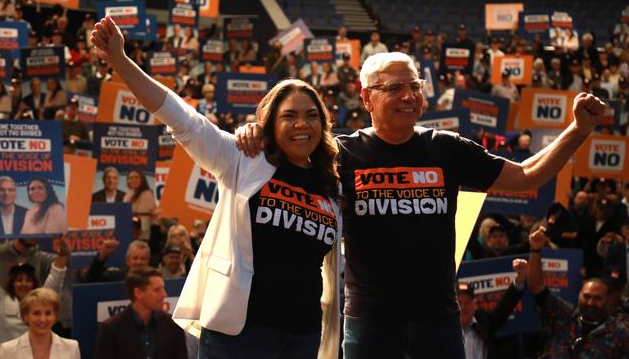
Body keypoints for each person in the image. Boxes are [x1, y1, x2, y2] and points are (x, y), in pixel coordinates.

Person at [236, 51, 607, 358]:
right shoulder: (340, 154)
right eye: (394, 88)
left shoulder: (446, 147)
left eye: (415, 85)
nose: (409, 95)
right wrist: (256, 132)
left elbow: (528, 176)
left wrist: (578, 130)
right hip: (369, 324)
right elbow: (288, 147)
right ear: (366, 98)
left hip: (439, 324)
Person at [91, 16, 342, 358]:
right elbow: (182, 118)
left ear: (324, 124)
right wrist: (120, 60)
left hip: (304, 334)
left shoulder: (331, 184)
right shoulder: (244, 159)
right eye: (289, 115)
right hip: (239, 333)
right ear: (270, 122)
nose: (302, 124)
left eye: (312, 115)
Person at [527, 226, 629, 357]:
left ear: (607, 300)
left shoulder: (619, 335)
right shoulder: (564, 314)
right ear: (579, 294)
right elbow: (537, 286)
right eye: (586, 296)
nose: (590, 303)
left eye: (597, 299)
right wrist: (535, 250)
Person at [0, 233, 70, 357]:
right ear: (12, 283)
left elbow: (57, 276)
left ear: (34, 282)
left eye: (28, 280)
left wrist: (63, 253)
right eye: (19, 280)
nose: (24, 284)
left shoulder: (43, 300)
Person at [95, 266, 187, 359]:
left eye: (163, 288)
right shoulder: (110, 329)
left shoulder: (172, 325)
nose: (164, 294)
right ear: (138, 293)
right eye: (157, 290)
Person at [458, 259, 528, 359]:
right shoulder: (445, 328)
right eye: (459, 303)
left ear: (475, 304)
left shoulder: (483, 321)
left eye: (467, 302)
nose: (463, 307)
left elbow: (505, 307)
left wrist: (520, 280)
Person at [0, 287, 80, 358]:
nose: (42, 319)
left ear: (55, 316)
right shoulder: (7, 350)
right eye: (36, 313)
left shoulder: (71, 347)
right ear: (26, 316)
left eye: (48, 313)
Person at [84, 239, 151, 283]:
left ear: (148, 261)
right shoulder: (116, 276)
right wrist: (103, 254)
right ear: (127, 260)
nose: (139, 262)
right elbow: (90, 280)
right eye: (135, 258)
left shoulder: (154, 280)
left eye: (143, 259)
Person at [123, 169, 156, 240]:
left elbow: (142, 216)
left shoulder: (147, 193)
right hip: (129, 231)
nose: (133, 180)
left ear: (142, 179)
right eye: (130, 178)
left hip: (141, 234)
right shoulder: (127, 194)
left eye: (136, 177)